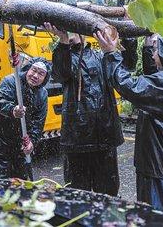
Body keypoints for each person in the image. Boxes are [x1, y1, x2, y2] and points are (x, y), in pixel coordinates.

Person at [94, 28, 163, 217]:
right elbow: (155, 78)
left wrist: (110, 54)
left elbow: (130, 87)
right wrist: (147, 42)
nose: (154, 54)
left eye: (157, 50)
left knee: (158, 216)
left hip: (159, 165)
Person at [43, 22, 137, 196]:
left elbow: (128, 64)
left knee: (108, 192)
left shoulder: (102, 56)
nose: (70, 32)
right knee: (78, 193)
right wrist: (63, 41)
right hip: (76, 139)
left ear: (84, 34)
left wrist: (127, 31)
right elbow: (61, 73)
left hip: (105, 136)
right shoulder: (64, 55)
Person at [0, 56, 51, 179]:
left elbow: (38, 122)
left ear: (45, 78)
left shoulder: (42, 94)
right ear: (28, 69)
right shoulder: (11, 81)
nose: (35, 76)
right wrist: (12, 110)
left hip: (18, 133)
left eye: (41, 74)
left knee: (21, 171)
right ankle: (1, 194)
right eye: (34, 70)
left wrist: (32, 142)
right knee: (2, 171)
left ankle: (20, 195)